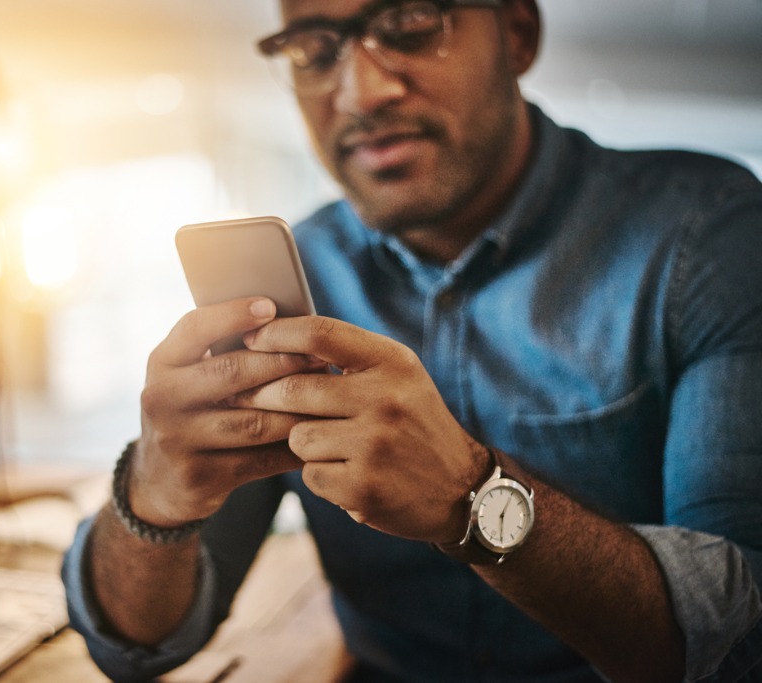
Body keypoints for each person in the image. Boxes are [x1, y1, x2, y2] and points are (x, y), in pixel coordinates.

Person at [62, 0, 762, 681]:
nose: (361, 92)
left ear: (517, 33)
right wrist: (153, 493)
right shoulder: (294, 279)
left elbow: (742, 637)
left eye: (411, 25)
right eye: (313, 50)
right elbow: (134, 648)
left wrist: (470, 495)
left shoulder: (710, 238)